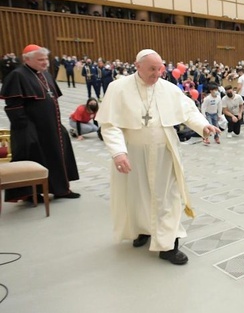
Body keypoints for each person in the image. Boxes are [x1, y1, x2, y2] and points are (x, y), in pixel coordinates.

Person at [97, 49, 219, 265]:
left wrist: (204, 125)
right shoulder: (118, 88)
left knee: (167, 196)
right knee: (137, 195)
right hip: (132, 153)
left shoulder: (169, 88)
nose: (157, 74)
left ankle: (168, 245)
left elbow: (189, 111)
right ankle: (142, 229)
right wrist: (118, 152)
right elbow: (109, 124)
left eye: (160, 69)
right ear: (137, 66)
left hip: (164, 152)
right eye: (152, 69)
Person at [0, 44, 80, 202]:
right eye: (40, 60)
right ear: (27, 60)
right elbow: (14, 106)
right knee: (34, 157)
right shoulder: (18, 75)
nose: (45, 63)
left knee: (58, 154)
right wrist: (26, 128)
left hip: (51, 126)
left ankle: (60, 189)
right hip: (31, 128)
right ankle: (31, 194)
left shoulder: (45, 74)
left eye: (46, 59)